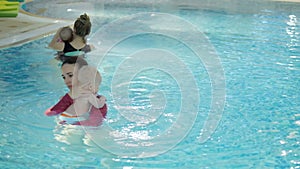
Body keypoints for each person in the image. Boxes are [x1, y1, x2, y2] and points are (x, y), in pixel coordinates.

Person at [44, 56, 107, 126]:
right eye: (64, 77)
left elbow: (94, 124)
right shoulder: (68, 98)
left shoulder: (96, 104)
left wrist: (70, 124)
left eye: (71, 75)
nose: (66, 81)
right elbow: (50, 113)